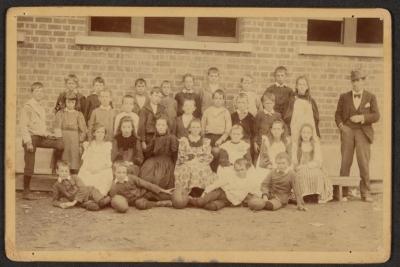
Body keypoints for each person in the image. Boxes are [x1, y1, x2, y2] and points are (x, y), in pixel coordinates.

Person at [334, 70, 380, 202]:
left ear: (363, 81)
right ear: (351, 82)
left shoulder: (370, 97)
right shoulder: (344, 97)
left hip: (363, 132)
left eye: (359, 80)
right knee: (345, 162)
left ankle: (365, 192)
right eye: (353, 81)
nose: (356, 83)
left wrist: (362, 117)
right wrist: (342, 127)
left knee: (363, 162)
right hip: (348, 131)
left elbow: (376, 115)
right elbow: (337, 114)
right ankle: (343, 192)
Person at [20, 82, 64, 200]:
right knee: (30, 164)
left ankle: (56, 168)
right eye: (37, 91)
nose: (40, 93)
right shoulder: (27, 106)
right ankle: (26, 190)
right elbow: (23, 126)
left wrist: (49, 134)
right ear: (32, 93)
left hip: (40, 137)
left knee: (60, 144)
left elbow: (40, 128)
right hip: (31, 138)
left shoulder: (41, 107)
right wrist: (28, 142)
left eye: (41, 91)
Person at [189, 158, 257, 211]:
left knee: (212, 207)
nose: (239, 172)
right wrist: (206, 191)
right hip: (221, 193)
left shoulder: (249, 181)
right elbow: (217, 184)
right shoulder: (231, 177)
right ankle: (189, 200)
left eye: (242, 170)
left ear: (247, 169)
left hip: (228, 201)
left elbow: (254, 191)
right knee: (201, 201)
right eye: (237, 170)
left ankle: (205, 203)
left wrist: (259, 198)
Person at [174, 119, 218, 198]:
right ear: (190, 129)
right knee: (187, 169)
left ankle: (199, 192)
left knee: (202, 169)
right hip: (186, 162)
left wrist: (198, 160)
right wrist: (189, 160)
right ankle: (188, 193)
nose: (195, 129)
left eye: (197, 127)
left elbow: (208, 155)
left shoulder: (205, 141)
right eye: (193, 127)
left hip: (200, 162)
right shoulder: (184, 140)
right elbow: (181, 154)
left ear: (201, 129)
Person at [292, 123, 333, 204]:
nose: (306, 135)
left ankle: (315, 195)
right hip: (300, 167)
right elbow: (294, 160)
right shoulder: (296, 146)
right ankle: (304, 196)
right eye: (304, 132)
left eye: (308, 133)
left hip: (313, 166)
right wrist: (298, 166)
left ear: (311, 134)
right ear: (300, 134)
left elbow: (318, 161)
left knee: (317, 174)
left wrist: (308, 165)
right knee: (302, 174)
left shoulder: (315, 145)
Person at [109, 161, 173, 212]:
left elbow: (146, 184)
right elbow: (114, 199)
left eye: (123, 172)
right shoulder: (114, 186)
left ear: (126, 172)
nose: (121, 175)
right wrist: (118, 205)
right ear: (114, 172)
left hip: (144, 193)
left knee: (161, 195)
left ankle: (172, 196)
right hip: (136, 201)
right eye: (119, 172)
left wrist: (163, 190)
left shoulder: (131, 178)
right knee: (140, 204)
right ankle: (158, 204)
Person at [139, 117, 178, 190]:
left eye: (163, 125)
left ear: (167, 127)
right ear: (156, 127)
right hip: (153, 160)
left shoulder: (172, 138)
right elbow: (148, 152)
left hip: (166, 161)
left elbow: (175, 154)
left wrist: (174, 166)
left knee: (158, 178)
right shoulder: (154, 138)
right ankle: (148, 193)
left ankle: (159, 194)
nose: (161, 127)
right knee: (146, 173)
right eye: (159, 125)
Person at [54, 92, 87, 174]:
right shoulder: (60, 113)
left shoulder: (78, 114)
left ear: (75, 103)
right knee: (64, 155)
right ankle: (62, 173)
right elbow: (57, 127)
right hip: (63, 137)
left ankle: (73, 174)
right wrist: (59, 139)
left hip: (74, 138)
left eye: (72, 102)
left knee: (73, 156)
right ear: (65, 102)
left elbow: (83, 129)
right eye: (68, 102)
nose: (70, 104)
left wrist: (80, 141)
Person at [201, 89, 232, 172]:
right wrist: (204, 138)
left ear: (223, 100)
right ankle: (208, 173)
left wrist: (221, 139)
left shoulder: (225, 112)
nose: (218, 100)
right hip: (208, 137)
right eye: (216, 98)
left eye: (220, 98)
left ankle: (216, 173)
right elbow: (203, 126)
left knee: (217, 152)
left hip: (221, 137)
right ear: (213, 99)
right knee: (207, 154)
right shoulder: (207, 111)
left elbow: (228, 129)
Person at [79, 124, 114, 196]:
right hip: (90, 167)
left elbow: (108, 162)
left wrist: (99, 168)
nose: (100, 134)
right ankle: (88, 196)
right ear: (94, 133)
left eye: (102, 132)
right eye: (98, 132)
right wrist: (90, 168)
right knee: (86, 176)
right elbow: (86, 160)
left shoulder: (107, 145)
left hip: (102, 167)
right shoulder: (89, 145)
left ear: (105, 134)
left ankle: (99, 196)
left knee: (104, 176)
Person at [284, 75, 320, 144]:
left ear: (307, 87)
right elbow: (287, 118)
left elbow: (316, 119)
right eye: (300, 84)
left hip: (308, 131)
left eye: (304, 84)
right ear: (296, 86)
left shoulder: (311, 101)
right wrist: (288, 133)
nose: (302, 86)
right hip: (295, 130)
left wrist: (317, 134)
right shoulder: (292, 100)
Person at [137, 87, 167, 157]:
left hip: (159, 137)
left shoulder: (162, 109)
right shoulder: (144, 109)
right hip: (148, 137)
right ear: (150, 96)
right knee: (148, 155)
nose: (157, 98)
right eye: (156, 96)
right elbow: (141, 126)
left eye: (160, 97)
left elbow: (165, 123)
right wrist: (143, 141)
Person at [231, 93, 256, 163]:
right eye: (239, 102)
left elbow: (253, 133)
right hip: (234, 139)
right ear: (236, 104)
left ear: (247, 104)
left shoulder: (250, 117)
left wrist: (253, 142)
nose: (241, 104)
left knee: (246, 152)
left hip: (246, 140)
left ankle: (248, 166)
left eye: (243, 102)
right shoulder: (233, 116)